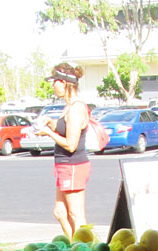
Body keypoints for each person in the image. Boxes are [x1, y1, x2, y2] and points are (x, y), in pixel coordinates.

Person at [36, 63, 90, 239]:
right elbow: (64, 128)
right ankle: (75, 246)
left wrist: (48, 133)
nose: (52, 86)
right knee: (60, 212)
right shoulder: (69, 106)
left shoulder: (76, 108)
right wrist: (50, 122)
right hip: (63, 166)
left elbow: (71, 144)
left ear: (65, 83)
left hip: (73, 165)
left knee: (76, 214)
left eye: (55, 82)